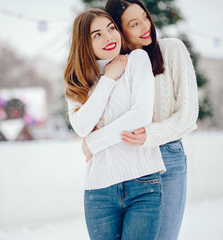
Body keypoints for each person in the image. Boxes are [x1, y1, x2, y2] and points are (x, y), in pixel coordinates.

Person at [83, 1, 199, 240]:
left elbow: (188, 115)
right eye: (134, 23)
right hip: (130, 158)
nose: (145, 26)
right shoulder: (115, 64)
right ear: (119, 28)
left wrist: (151, 134)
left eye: (145, 17)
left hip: (167, 153)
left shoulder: (172, 50)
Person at [64, 8, 166, 240]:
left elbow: (140, 115)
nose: (109, 37)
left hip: (143, 184)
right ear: (84, 43)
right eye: (97, 34)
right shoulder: (78, 80)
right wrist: (108, 78)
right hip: (99, 191)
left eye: (111, 28)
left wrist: (93, 142)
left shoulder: (137, 60)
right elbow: (81, 126)